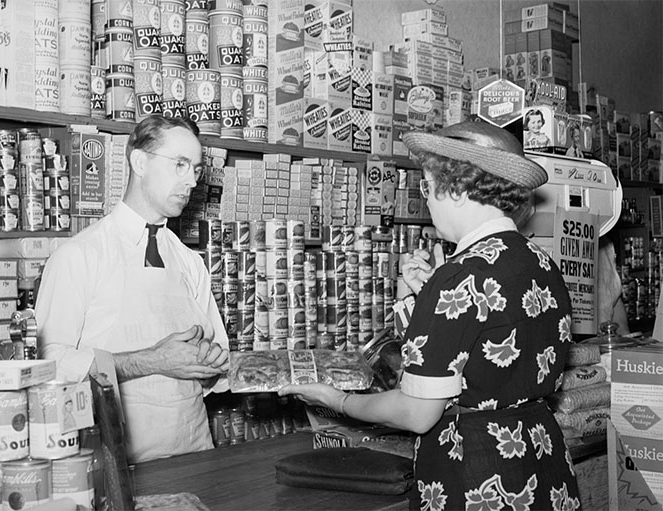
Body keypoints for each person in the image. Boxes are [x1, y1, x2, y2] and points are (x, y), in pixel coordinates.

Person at [279, 119, 581, 510]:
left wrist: (339, 401)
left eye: (428, 186)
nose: (428, 200)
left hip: (477, 475)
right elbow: (473, 346)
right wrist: (413, 296)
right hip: (543, 464)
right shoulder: (541, 262)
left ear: (455, 188)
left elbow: (418, 412)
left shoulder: (459, 276)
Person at [36, 116, 229, 464]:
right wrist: (151, 361)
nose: (191, 181)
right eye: (180, 165)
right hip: (117, 468)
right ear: (139, 161)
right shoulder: (79, 255)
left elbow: (214, 366)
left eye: (196, 169)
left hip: (196, 457)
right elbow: (49, 366)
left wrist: (210, 363)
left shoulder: (189, 262)